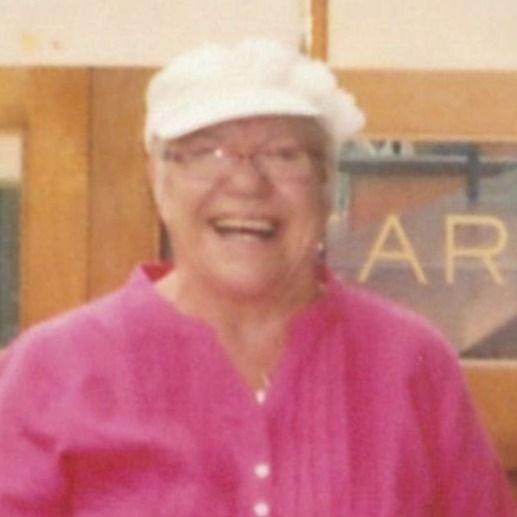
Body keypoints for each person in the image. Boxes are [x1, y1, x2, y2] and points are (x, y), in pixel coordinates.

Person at [0, 39, 514, 516]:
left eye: (284, 155)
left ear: (327, 185)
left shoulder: (410, 362)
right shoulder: (52, 369)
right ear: (158, 181)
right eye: (207, 153)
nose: (247, 183)